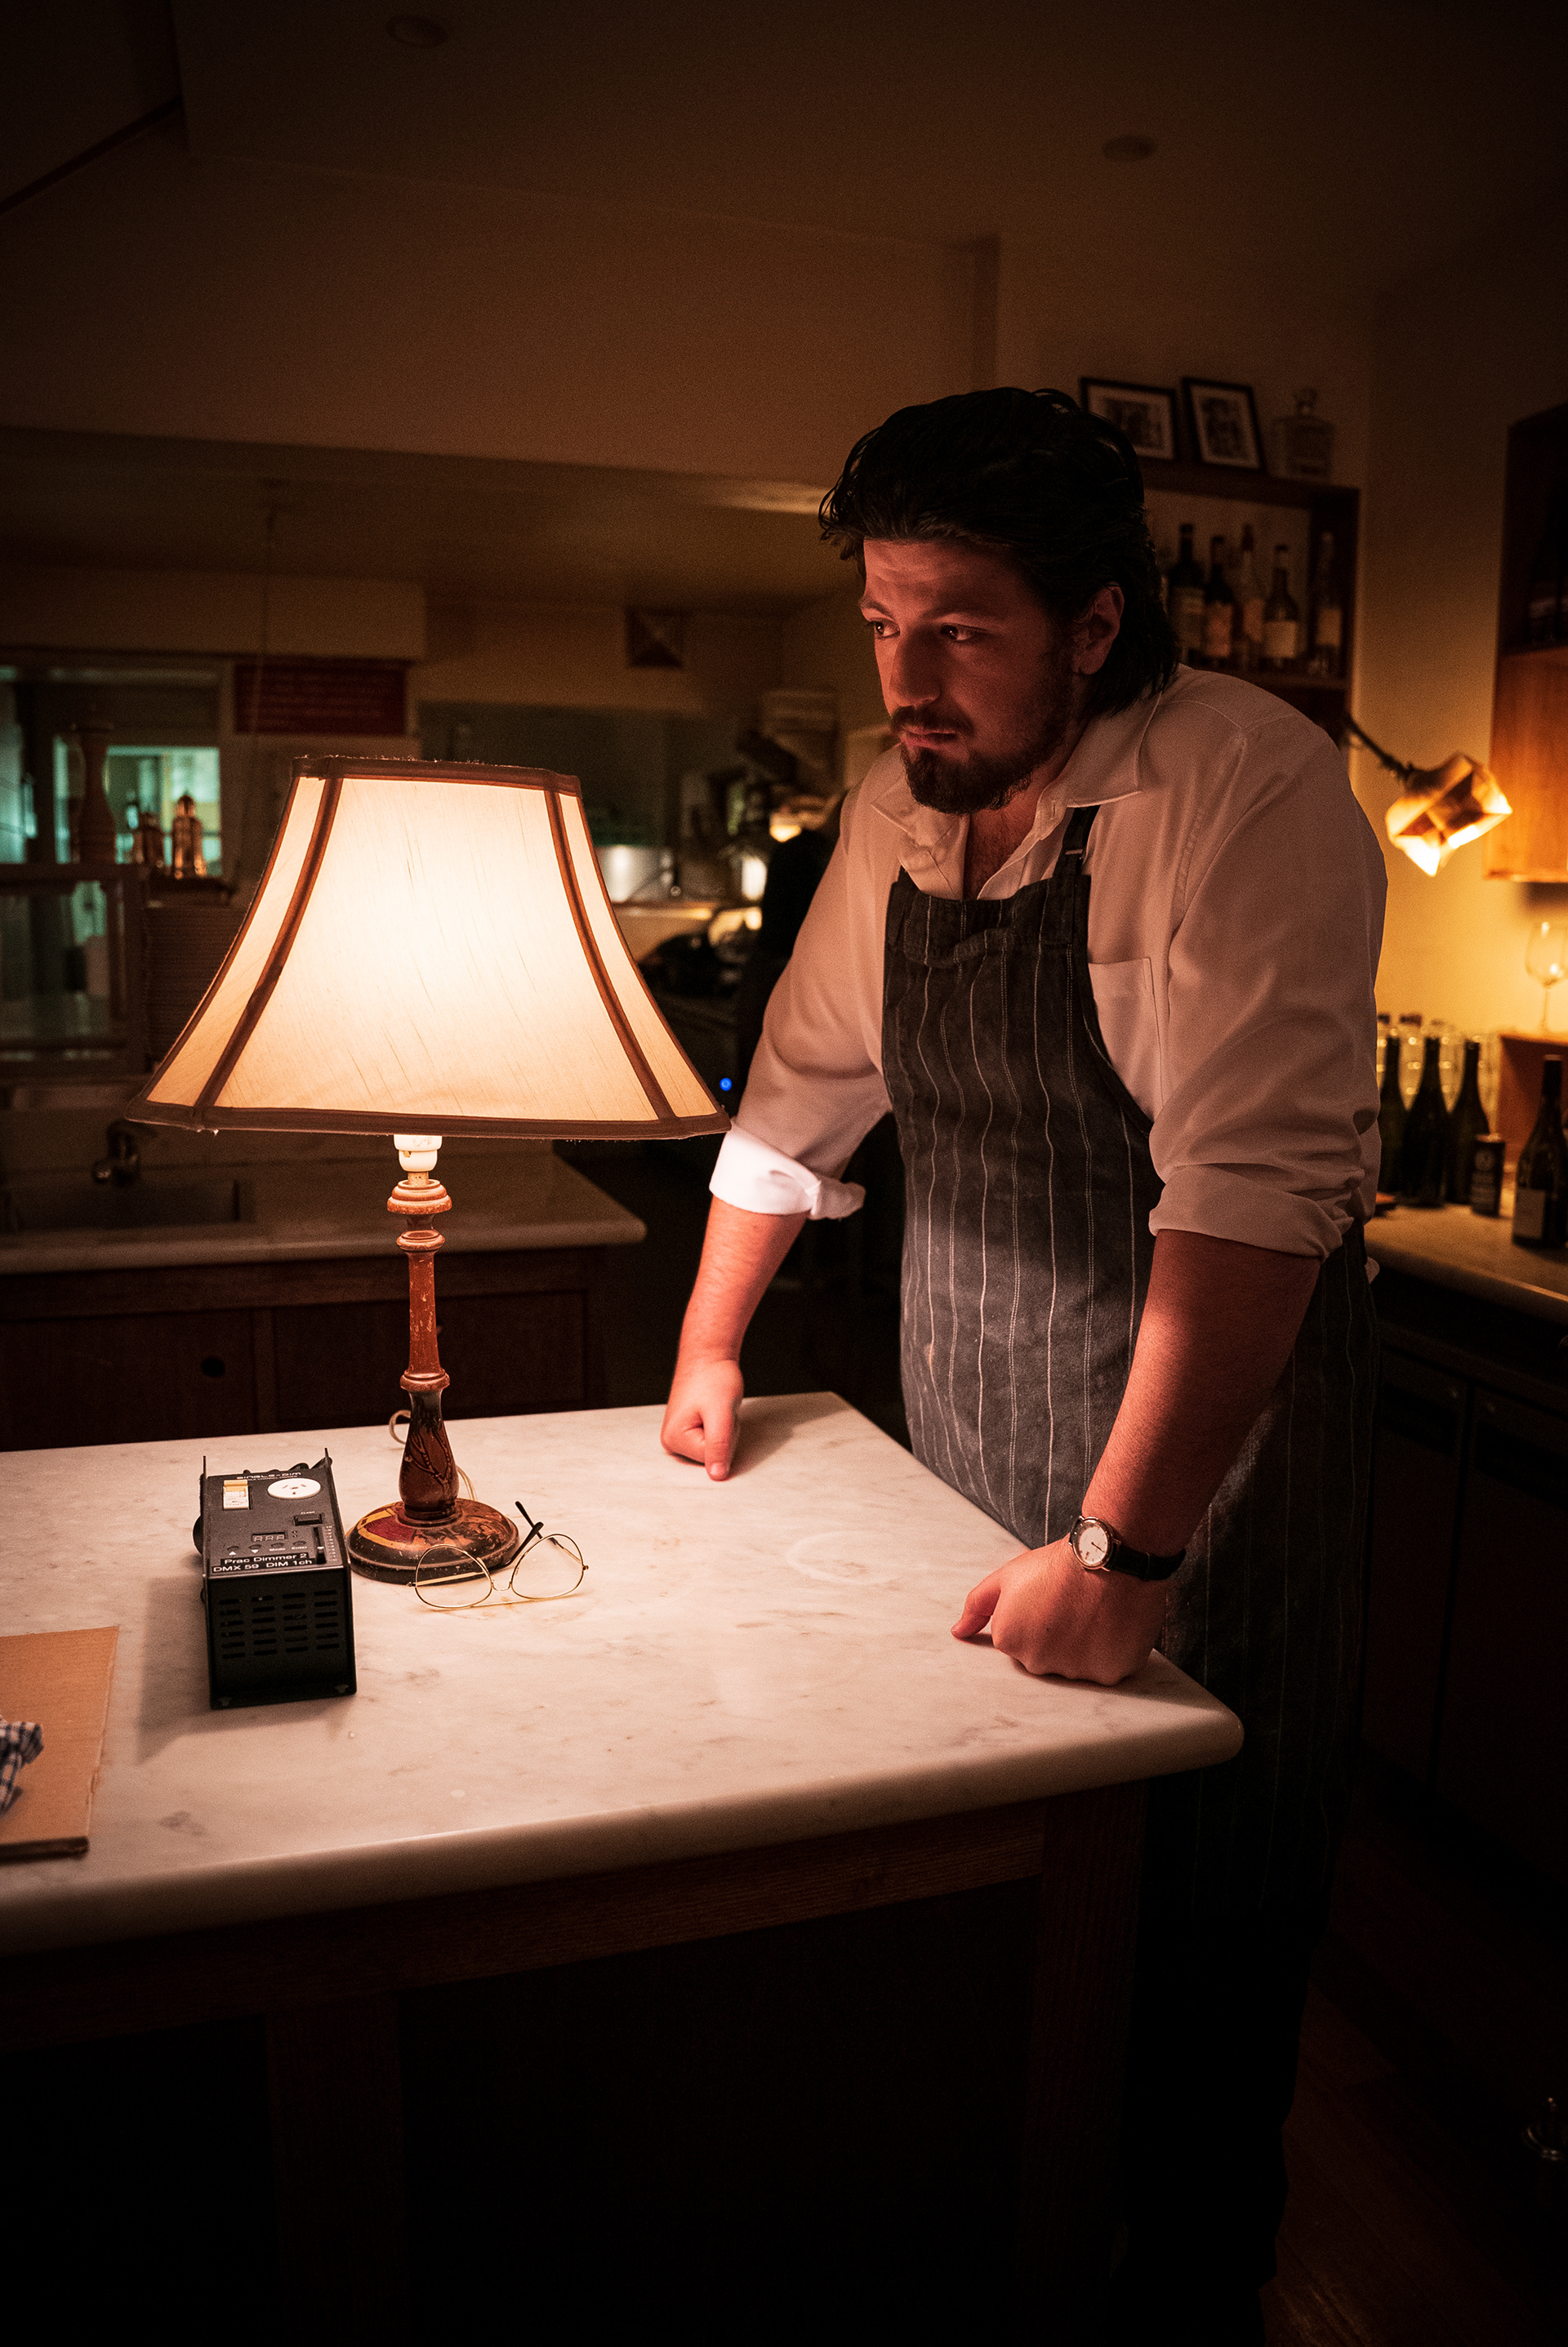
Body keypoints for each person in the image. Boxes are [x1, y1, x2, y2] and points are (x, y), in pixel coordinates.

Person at [660, 388, 1385, 2341]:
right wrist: (711, 1348)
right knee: (997, 1929)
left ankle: (1197, 2294)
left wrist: (1128, 1555)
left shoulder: (1247, 788)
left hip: (1202, 1479)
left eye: (962, 629)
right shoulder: (897, 806)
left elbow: (1253, 1201)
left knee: (1198, 1934)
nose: (907, 678)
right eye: (884, 622)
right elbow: (796, 1099)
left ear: (1095, 623)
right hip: (969, 1436)